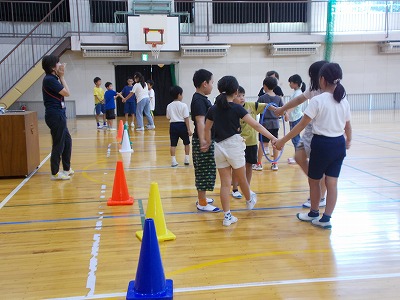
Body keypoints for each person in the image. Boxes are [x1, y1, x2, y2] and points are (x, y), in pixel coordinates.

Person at [274, 63, 352, 229]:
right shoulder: (343, 99)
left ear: (322, 79)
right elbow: (348, 126)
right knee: (332, 183)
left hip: (322, 143)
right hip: (338, 144)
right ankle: (326, 218)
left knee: (314, 181)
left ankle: (314, 212)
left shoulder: (317, 100)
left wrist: (282, 141)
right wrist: (348, 141)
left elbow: (301, 125)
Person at [202, 76, 278, 226]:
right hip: (234, 147)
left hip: (218, 147)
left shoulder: (213, 109)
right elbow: (256, 125)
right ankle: (249, 200)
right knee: (242, 179)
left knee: (225, 184)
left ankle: (227, 216)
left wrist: (207, 141)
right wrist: (273, 138)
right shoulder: (237, 108)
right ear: (236, 92)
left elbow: (207, 128)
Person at [274, 60, 329, 208]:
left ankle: (320, 196)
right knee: (299, 156)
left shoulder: (331, 92)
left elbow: (302, 123)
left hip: (323, 132)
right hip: (312, 128)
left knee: (320, 166)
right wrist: (282, 109)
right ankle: (316, 182)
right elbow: (299, 99)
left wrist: (283, 140)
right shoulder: (314, 88)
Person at [190, 69, 220, 212]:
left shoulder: (202, 99)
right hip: (203, 140)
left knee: (207, 169)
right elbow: (200, 121)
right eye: (212, 82)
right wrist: (203, 140)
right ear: (204, 84)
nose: (212, 86)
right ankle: (202, 202)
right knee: (203, 171)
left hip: (206, 139)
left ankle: (203, 197)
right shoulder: (198, 100)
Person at [231, 86, 268, 198]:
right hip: (238, 143)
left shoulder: (251, 105)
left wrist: (281, 110)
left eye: (243, 95)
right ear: (233, 97)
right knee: (237, 167)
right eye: (238, 95)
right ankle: (235, 188)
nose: (242, 98)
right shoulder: (232, 109)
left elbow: (267, 106)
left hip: (251, 142)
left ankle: (247, 187)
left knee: (249, 165)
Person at [41, 55, 73, 180]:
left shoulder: (54, 78)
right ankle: (54, 173)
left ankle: (66, 168)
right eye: (58, 63)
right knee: (58, 143)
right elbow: (67, 93)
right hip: (55, 115)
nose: (60, 64)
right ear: (52, 67)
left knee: (67, 141)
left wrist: (60, 76)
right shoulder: (49, 79)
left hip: (59, 113)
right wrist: (62, 76)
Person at [254, 76, 285, 171]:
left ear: (264, 86)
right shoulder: (278, 99)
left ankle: (259, 164)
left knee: (262, 144)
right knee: (275, 143)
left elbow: (256, 109)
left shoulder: (262, 98)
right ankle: (275, 164)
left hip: (264, 124)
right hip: (275, 124)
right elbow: (283, 111)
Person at [166, 85, 192, 167]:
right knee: (186, 143)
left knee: (173, 144)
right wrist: (189, 129)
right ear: (179, 95)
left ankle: (173, 161)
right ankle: (187, 159)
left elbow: (168, 117)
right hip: (182, 125)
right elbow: (186, 118)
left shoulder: (169, 106)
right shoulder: (184, 105)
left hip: (173, 125)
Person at [286, 74, 306, 164]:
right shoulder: (296, 92)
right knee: (295, 138)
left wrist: (287, 113)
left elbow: (294, 105)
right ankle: (298, 156)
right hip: (293, 118)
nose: (289, 84)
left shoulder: (298, 93)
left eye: (291, 82)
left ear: (296, 83)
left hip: (296, 118)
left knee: (295, 138)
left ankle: (298, 157)